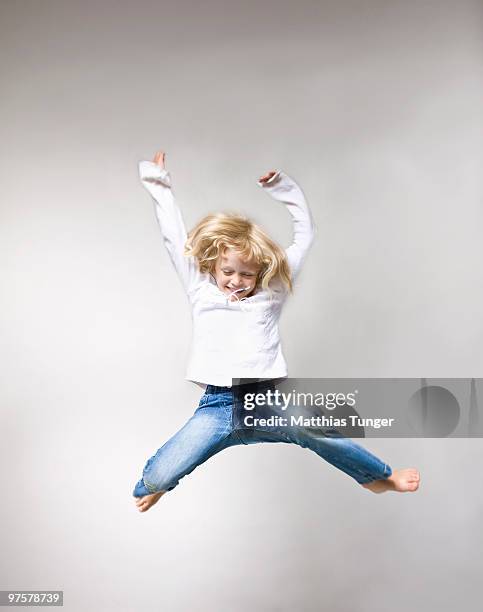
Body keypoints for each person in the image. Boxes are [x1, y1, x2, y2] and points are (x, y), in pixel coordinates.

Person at [133, 151, 420, 512]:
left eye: (246, 275)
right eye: (228, 272)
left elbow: (305, 237)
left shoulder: (272, 293)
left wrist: (284, 188)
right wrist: (158, 182)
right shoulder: (201, 289)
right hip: (218, 406)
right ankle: (162, 480)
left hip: (265, 401)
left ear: (260, 274)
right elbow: (173, 236)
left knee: (316, 430)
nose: (236, 281)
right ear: (214, 266)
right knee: (155, 479)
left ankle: (380, 478)